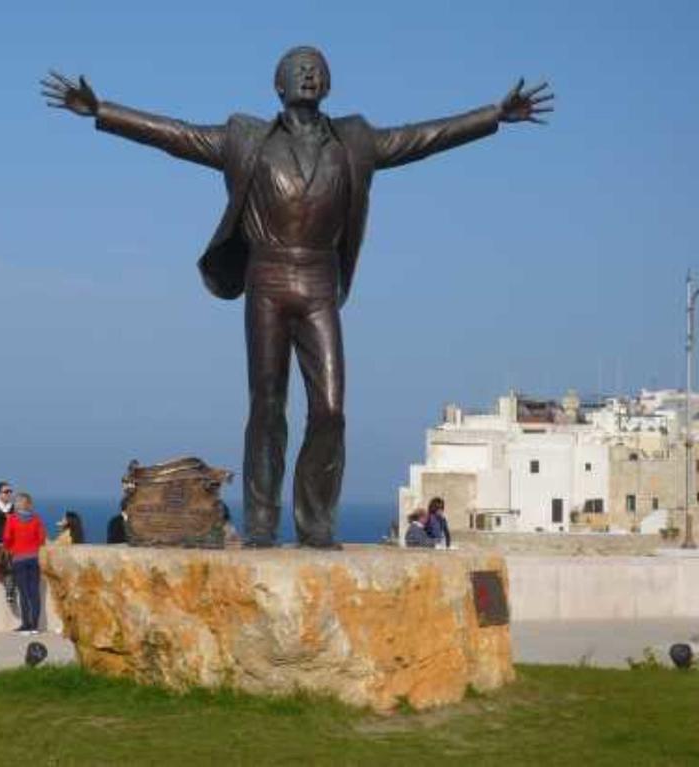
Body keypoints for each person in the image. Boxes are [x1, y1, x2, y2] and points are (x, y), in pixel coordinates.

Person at [42, 48, 552, 550]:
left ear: (327, 85)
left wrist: (494, 117)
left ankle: (316, 521)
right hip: (266, 280)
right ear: (279, 85)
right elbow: (177, 136)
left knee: (330, 409)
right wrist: (104, 111)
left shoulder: (353, 142)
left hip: (319, 284)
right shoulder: (246, 139)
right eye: (298, 69)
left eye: (317, 69)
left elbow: (422, 138)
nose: (308, 74)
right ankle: (262, 521)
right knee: (267, 405)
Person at [2, 492, 47, 633]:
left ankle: (26, 624)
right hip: (34, 558)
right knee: (34, 592)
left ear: (18, 504)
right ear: (29, 504)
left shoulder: (12, 519)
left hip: (19, 559)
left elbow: (7, 538)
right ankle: (35, 625)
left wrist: (11, 549)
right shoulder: (37, 519)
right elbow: (42, 538)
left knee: (23, 592)